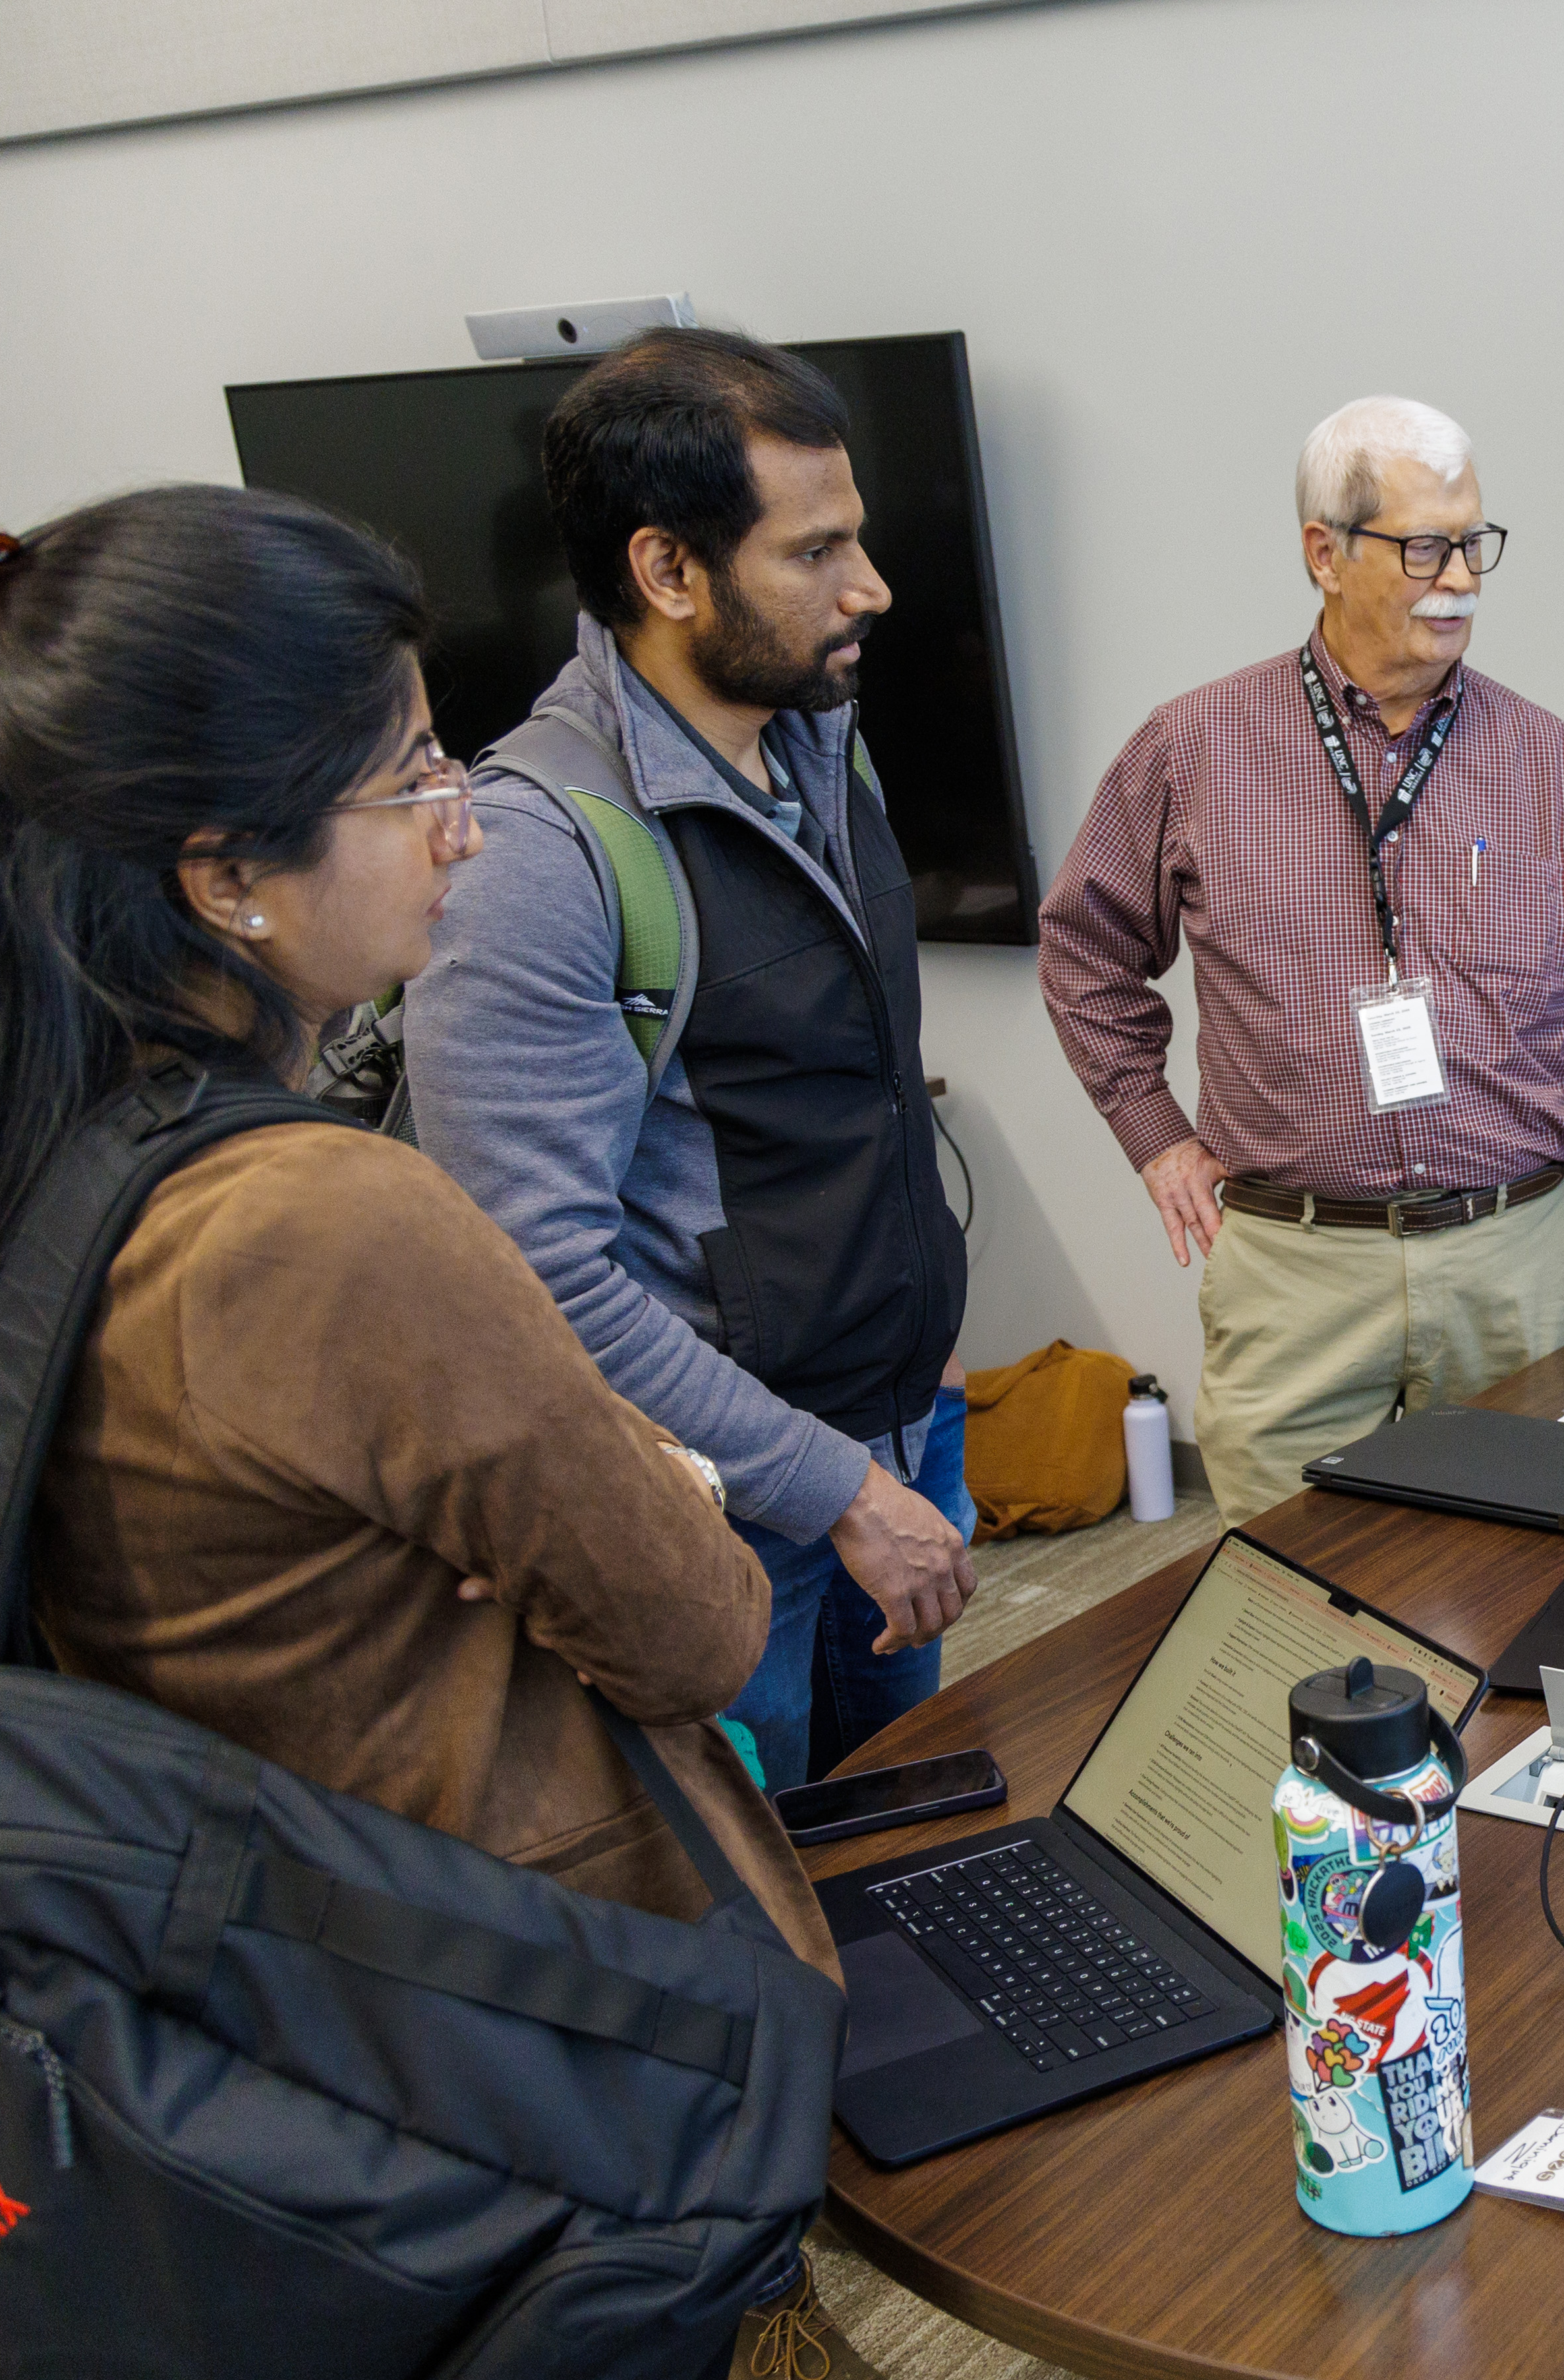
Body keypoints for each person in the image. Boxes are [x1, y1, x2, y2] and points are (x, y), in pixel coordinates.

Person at [0, 485, 834, 2380]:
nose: (464, 818)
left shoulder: (43, 1129)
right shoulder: (326, 1219)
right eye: (409, 776)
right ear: (225, 875)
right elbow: (695, 1623)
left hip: (263, 2019)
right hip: (472, 2038)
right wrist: (641, 1470)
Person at [1039, 394, 1564, 1520]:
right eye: (1424, 546)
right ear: (1322, 554)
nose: (1460, 577)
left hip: (1514, 1261)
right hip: (1295, 1272)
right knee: (1296, 1612)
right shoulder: (1193, 749)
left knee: (1529, 1593)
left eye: (1474, 543)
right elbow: (1083, 949)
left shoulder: (1543, 757)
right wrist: (1154, 1136)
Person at [407, 329, 978, 1825]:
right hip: (729, 1518)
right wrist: (839, 1492)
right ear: (668, 571)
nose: (872, 586)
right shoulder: (538, 854)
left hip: (899, 1428)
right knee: (753, 1917)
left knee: (903, 1866)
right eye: (819, 550)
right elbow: (535, 1275)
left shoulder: (819, 741)